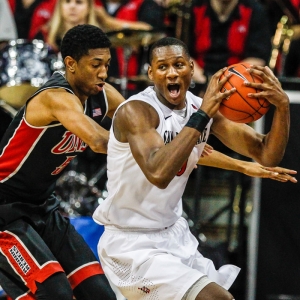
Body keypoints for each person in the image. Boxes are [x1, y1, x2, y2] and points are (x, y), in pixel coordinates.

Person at [93, 36, 291, 300]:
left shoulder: (199, 109)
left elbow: (266, 152)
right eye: (162, 67)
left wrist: (282, 107)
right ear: (151, 73)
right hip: (132, 244)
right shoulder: (137, 112)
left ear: (191, 67)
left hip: (174, 234)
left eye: (178, 65)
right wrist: (203, 116)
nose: (172, 72)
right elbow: (159, 173)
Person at [0, 24, 126, 300]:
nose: (104, 73)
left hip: (44, 208)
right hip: (4, 212)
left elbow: (141, 121)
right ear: (70, 64)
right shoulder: (55, 98)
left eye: (106, 64)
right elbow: (99, 140)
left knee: (100, 294)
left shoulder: (102, 94)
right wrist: (148, 152)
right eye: (95, 65)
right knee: (54, 292)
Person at [188, 0, 272, 93]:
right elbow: (183, 54)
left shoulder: (255, 10)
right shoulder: (193, 8)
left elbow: (257, 59)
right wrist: (203, 81)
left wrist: (225, 82)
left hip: (237, 85)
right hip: (198, 80)